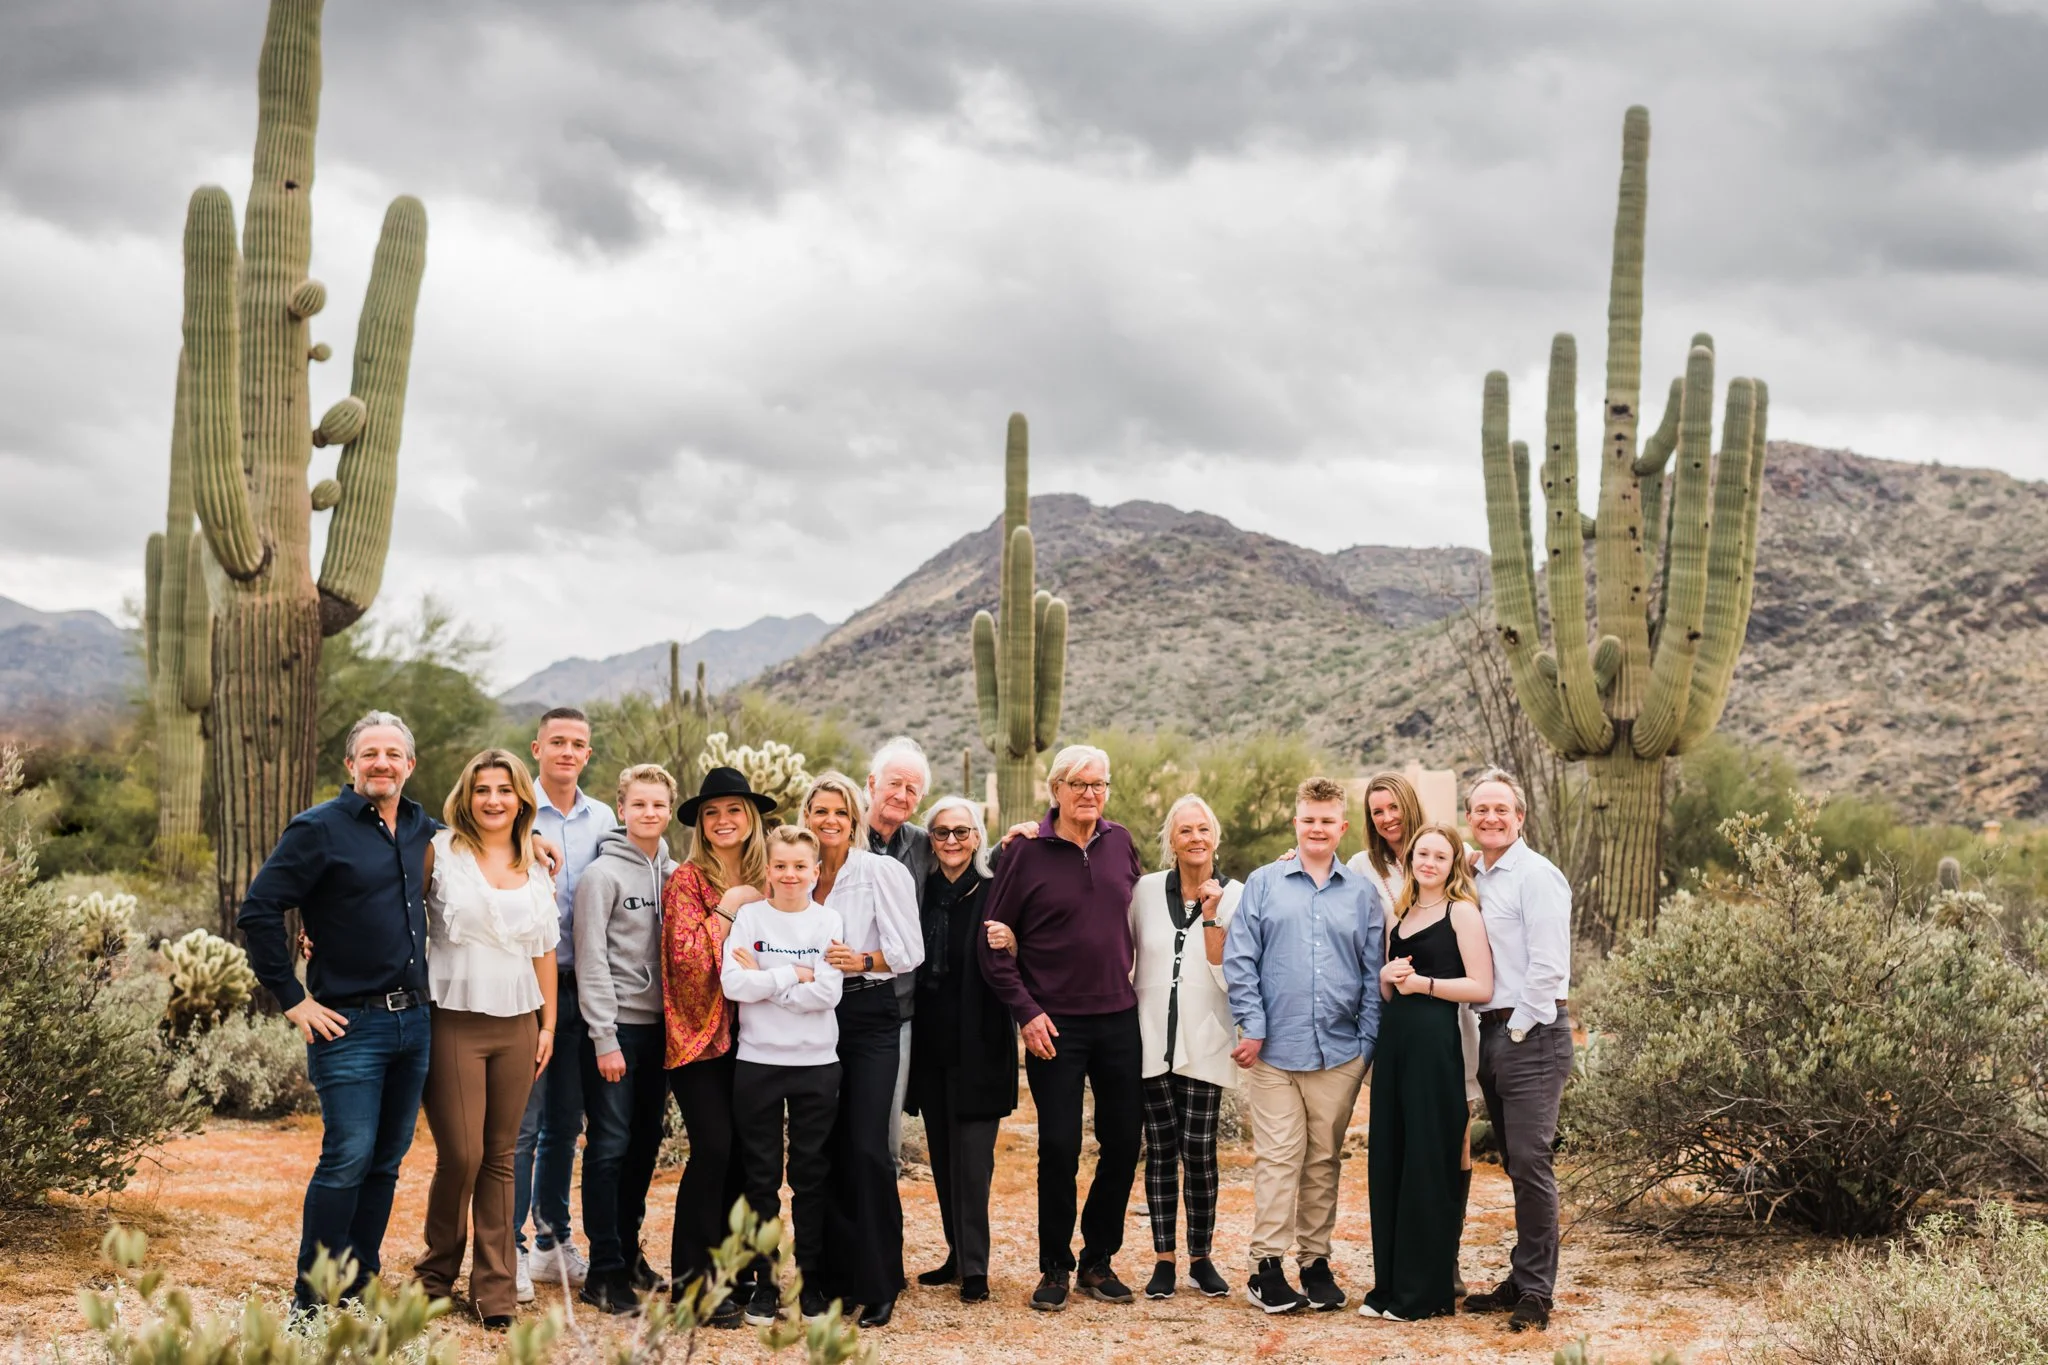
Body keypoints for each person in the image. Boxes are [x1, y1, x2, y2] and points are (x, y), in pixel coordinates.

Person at [239, 712, 436, 1312]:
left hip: (416, 1023)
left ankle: (357, 1288)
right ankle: (310, 1303)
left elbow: (480, 843)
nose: (382, 763)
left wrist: (529, 839)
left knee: (385, 1163)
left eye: (393, 753)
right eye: (369, 753)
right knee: (346, 1159)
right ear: (350, 766)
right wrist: (294, 999)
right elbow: (259, 910)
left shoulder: (422, 828)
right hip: (349, 1025)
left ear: (409, 765)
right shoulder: (318, 829)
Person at [978, 744, 1145, 1313]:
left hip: (1120, 1017)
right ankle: (1055, 1265)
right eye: (1079, 784)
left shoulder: (1121, 842)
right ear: (1056, 790)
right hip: (1054, 1022)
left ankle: (1098, 1259)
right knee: (1058, 1147)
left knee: (1123, 1142)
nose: (1090, 794)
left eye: (1099, 784)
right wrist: (1026, 1011)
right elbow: (992, 939)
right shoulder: (1025, 851)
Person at [1222, 776, 1385, 1316]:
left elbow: (1370, 973)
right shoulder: (1264, 884)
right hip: (1271, 1053)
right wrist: (1253, 1026)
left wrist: (1366, 1044)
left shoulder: (1361, 893)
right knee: (1279, 1157)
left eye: (1327, 821)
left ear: (1341, 827)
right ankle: (1265, 1265)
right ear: (1297, 823)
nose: (1317, 828)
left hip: (1339, 1054)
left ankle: (1315, 1262)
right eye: (1308, 819)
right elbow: (1240, 960)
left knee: (1322, 1160)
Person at [416, 750, 562, 1330]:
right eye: (483, 790)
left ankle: (495, 1289)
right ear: (467, 796)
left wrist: (548, 1024)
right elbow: (397, 911)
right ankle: (433, 1276)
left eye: (505, 789)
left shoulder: (538, 860)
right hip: (453, 1017)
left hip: (519, 1021)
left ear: (522, 797)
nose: (494, 800)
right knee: (462, 1155)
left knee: (501, 1158)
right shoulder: (440, 851)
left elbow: (544, 949)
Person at [1346, 770, 1481, 1292]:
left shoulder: (1449, 849)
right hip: (1397, 1021)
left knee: (1454, 1134)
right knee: (1406, 1132)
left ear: (1410, 804)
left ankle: (1444, 1255)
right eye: (1377, 811)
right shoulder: (1363, 867)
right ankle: (1410, 1254)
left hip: (1449, 1016)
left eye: (1393, 806)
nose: (1387, 818)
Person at [805, 772, 924, 1329]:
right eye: (819, 811)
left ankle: (879, 1280)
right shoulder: (795, 875)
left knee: (868, 1146)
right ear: (806, 816)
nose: (829, 821)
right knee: (823, 1147)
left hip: (871, 1016)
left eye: (839, 813)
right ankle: (831, 1278)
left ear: (854, 820)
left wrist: (864, 961)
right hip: (811, 1017)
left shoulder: (881, 871)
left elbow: (910, 952)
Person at [1458, 769, 1574, 1334]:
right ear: (1470, 817)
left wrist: (1520, 1031)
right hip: (1493, 1032)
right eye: (1480, 809)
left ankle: (1535, 1292)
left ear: (1520, 816)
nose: (1491, 818)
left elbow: (1549, 967)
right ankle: (1520, 1275)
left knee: (1531, 1163)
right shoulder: (1474, 872)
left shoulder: (1536, 877)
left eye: (1501, 809)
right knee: (1514, 1162)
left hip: (1533, 1034)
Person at [660, 765, 775, 1326]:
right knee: (714, 1150)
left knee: (748, 1160)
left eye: (733, 810)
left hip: (758, 1037)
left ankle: (734, 1274)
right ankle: (692, 1283)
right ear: (700, 825)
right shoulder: (688, 881)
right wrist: (730, 906)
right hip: (699, 1038)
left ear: (750, 818)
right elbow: (685, 963)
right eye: (711, 813)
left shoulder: (771, 877)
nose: (722, 821)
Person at [724, 824, 846, 1326]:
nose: (790, 874)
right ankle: (766, 1284)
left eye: (800, 866)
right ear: (768, 871)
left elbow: (829, 994)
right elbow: (733, 984)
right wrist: (795, 974)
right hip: (757, 1063)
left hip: (816, 1063)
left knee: (811, 1177)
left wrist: (766, 981)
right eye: (781, 866)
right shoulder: (750, 916)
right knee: (760, 1179)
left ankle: (811, 1282)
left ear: (816, 872)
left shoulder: (828, 919)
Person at [516, 707, 615, 1300]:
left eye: (578, 743)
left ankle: (554, 1243)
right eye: (557, 742)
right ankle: (514, 1249)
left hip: (581, 984)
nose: (567, 751)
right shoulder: (510, 809)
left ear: (588, 754)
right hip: (525, 985)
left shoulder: (604, 817)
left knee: (564, 1123)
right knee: (523, 1124)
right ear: (536, 748)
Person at [574, 764, 680, 1313]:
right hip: (617, 1033)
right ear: (622, 809)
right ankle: (603, 1270)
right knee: (610, 1148)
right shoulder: (601, 877)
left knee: (643, 1147)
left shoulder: (674, 874)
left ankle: (629, 1253)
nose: (650, 813)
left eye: (659, 804)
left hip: (662, 1032)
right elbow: (591, 961)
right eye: (639, 804)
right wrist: (603, 1037)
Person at [902, 794, 1015, 1306]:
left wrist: (1013, 941)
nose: (952, 841)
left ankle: (976, 1267)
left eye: (962, 832)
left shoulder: (995, 892)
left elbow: (1025, 948)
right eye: (942, 833)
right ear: (931, 840)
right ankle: (955, 1253)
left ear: (977, 837)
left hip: (980, 1046)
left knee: (973, 1161)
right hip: (930, 1046)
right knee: (944, 1159)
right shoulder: (917, 892)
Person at [1131, 794, 1241, 1301]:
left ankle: (1201, 1257)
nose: (1195, 838)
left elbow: (1227, 973)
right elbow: (1130, 958)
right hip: (1151, 1037)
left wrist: (1214, 915)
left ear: (1215, 837)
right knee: (1159, 1149)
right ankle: (1163, 1259)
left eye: (1203, 829)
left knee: (1199, 1150)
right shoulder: (1146, 891)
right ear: (1171, 841)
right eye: (1185, 831)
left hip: (1206, 1038)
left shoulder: (1237, 894)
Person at [865, 737, 932, 1168]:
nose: (901, 796)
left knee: (885, 1133)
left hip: (897, 1010)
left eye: (912, 790)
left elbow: (971, 859)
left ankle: (878, 1232)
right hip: (834, 1002)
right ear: (872, 783)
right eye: (894, 783)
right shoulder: (838, 835)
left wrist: (1018, 843)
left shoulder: (924, 846)